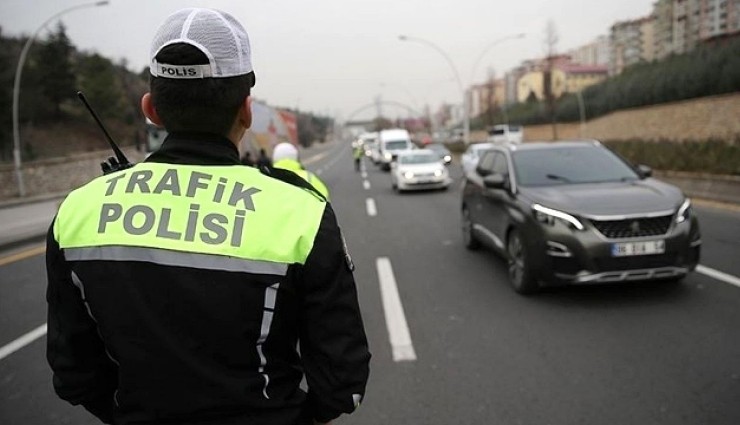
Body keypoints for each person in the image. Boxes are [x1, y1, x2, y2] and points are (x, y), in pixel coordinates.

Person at [45, 8, 370, 425]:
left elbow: (74, 374)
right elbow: (343, 383)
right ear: (246, 110)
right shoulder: (301, 212)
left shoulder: (78, 211)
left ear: (151, 109)